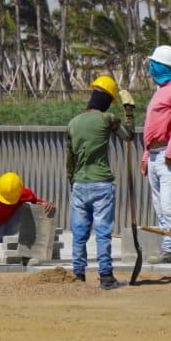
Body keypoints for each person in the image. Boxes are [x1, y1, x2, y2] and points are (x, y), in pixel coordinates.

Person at [66, 75, 133, 289]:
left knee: (79, 233)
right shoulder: (107, 119)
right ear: (107, 101)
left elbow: (70, 160)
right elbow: (128, 136)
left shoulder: (73, 123)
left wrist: (73, 182)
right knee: (103, 233)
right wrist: (129, 110)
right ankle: (106, 277)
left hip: (79, 184)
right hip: (101, 184)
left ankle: (78, 276)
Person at [140, 45, 171, 264]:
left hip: (168, 155)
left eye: (154, 65)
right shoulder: (161, 90)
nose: (151, 69)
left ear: (163, 66)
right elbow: (151, 126)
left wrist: (170, 151)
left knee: (169, 205)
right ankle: (168, 248)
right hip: (154, 154)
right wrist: (145, 156)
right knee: (160, 207)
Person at [0, 171, 55, 271]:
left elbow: (36, 201)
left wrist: (46, 204)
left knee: (28, 207)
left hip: (11, 224)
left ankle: (28, 255)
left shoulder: (23, 193)